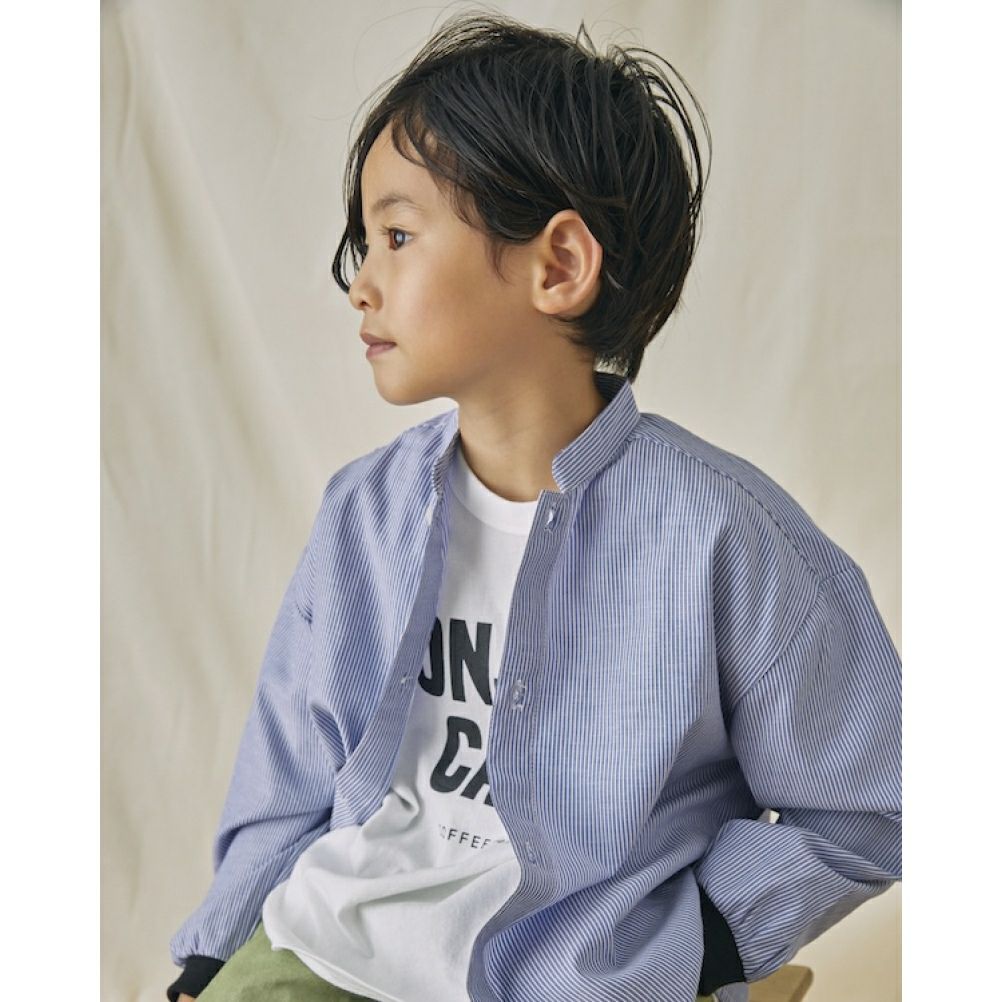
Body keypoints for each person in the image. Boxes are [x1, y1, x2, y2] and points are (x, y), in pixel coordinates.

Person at [166, 11, 901, 1002]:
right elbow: (290, 775)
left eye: (396, 235)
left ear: (558, 266)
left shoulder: (725, 537)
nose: (360, 284)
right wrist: (215, 955)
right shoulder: (363, 516)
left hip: (580, 975)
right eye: (364, 243)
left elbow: (872, 796)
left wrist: (708, 943)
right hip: (332, 950)